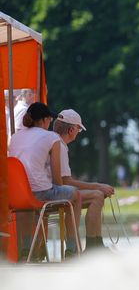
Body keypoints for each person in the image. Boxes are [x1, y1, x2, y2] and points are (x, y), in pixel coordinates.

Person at [8, 102, 82, 258]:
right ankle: (72, 249)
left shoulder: (14, 137)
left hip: (17, 195)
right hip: (41, 193)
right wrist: (62, 193)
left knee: (25, 208)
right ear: (44, 120)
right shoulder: (52, 137)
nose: (50, 124)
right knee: (75, 196)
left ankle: (26, 251)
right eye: (49, 120)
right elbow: (57, 178)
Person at [53, 109, 115, 251]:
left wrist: (96, 186)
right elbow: (66, 182)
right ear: (71, 129)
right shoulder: (59, 146)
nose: (77, 133)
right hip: (51, 193)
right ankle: (94, 248)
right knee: (97, 196)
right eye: (78, 130)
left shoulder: (53, 141)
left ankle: (95, 246)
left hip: (45, 190)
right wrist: (97, 186)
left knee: (97, 195)